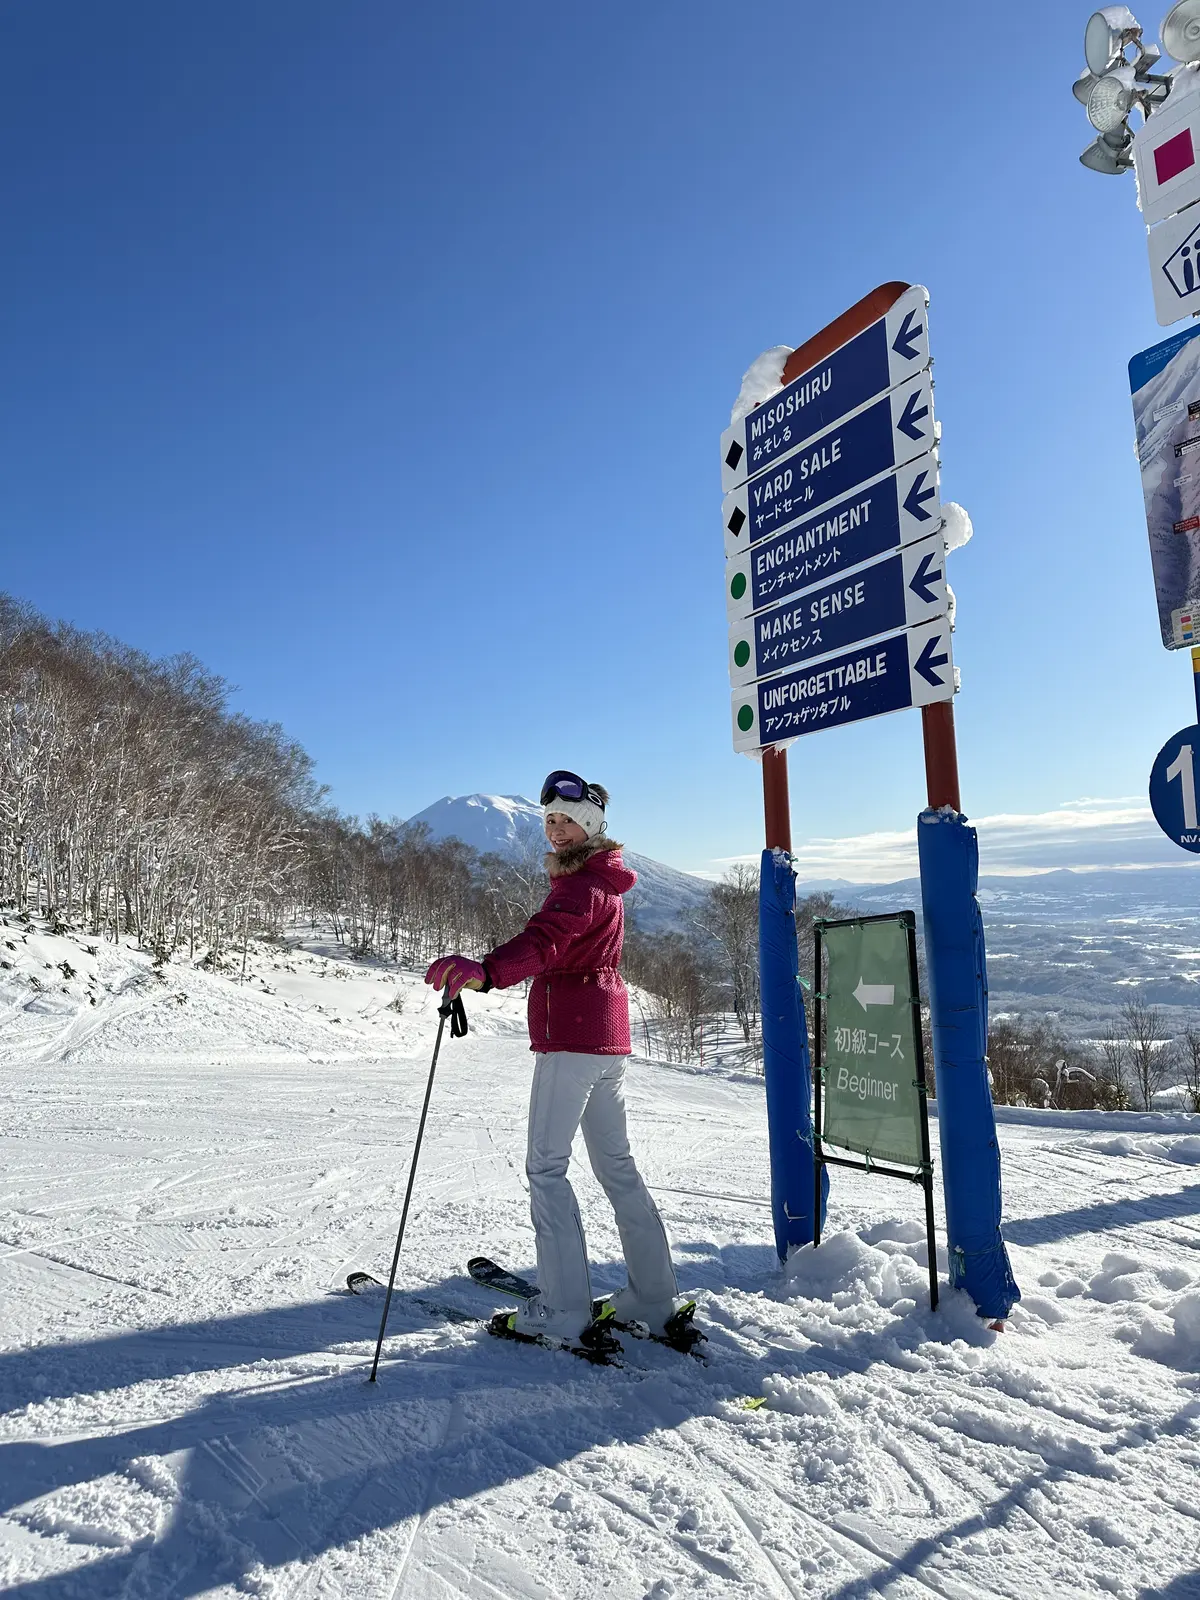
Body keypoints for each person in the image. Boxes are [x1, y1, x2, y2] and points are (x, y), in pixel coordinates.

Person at [425, 770, 679, 1343]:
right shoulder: (605, 883)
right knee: (617, 1166)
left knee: (546, 1168)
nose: (557, 829)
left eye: (568, 820)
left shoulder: (577, 886)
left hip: (571, 1036)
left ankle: (563, 1311)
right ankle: (653, 1296)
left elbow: (544, 941)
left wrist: (487, 971)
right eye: (551, 820)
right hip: (607, 1036)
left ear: (591, 825)